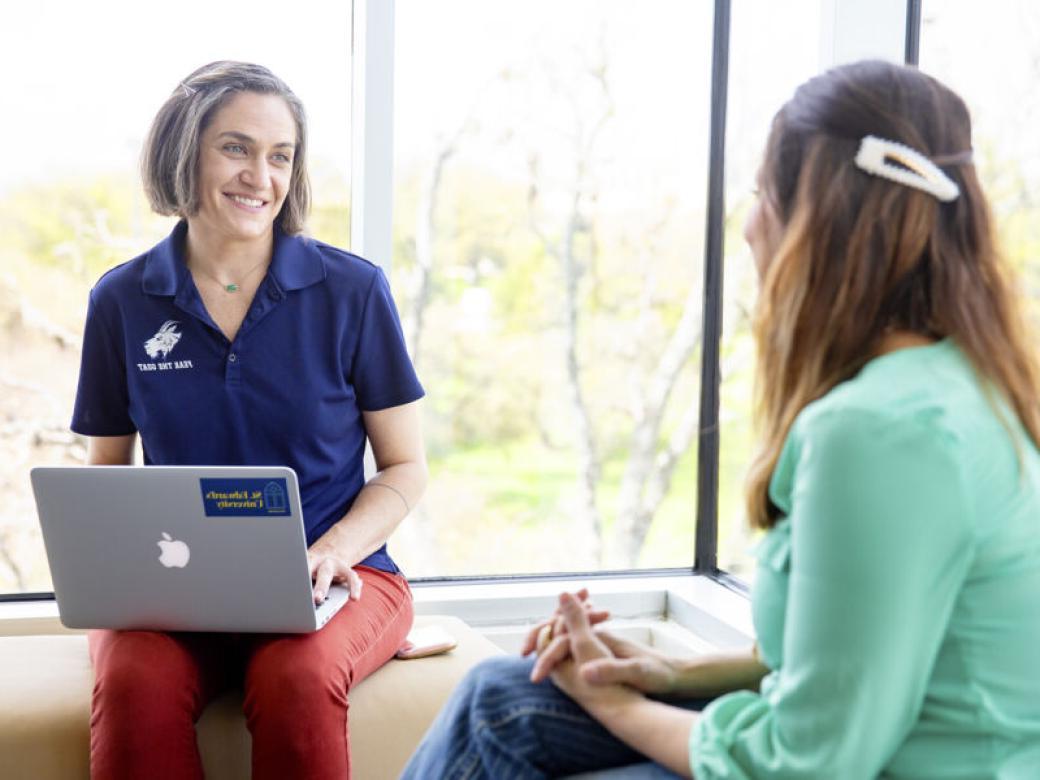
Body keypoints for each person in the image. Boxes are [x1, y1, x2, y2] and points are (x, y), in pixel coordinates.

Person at [402, 59, 1040, 779]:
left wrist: (614, 706)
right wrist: (666, 674)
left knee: (512, 713)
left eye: (764, 194)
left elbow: (808, 763)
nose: (748, 227)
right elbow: (839, 663)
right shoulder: (963, 386)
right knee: (504, 694)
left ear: (819, 224)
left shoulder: (881, 432)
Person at [71, 61, 426, 779]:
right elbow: (105, 479)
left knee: (293, 678)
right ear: (184, 152)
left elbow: (405, 467)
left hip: (340, 580)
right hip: (177, 593)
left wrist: (333, 550)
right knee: (134, 680)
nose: (259, 176)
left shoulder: (352, 291)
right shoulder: (121, 301)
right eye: (235, 148)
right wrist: (119, 575)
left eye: (280, 156)